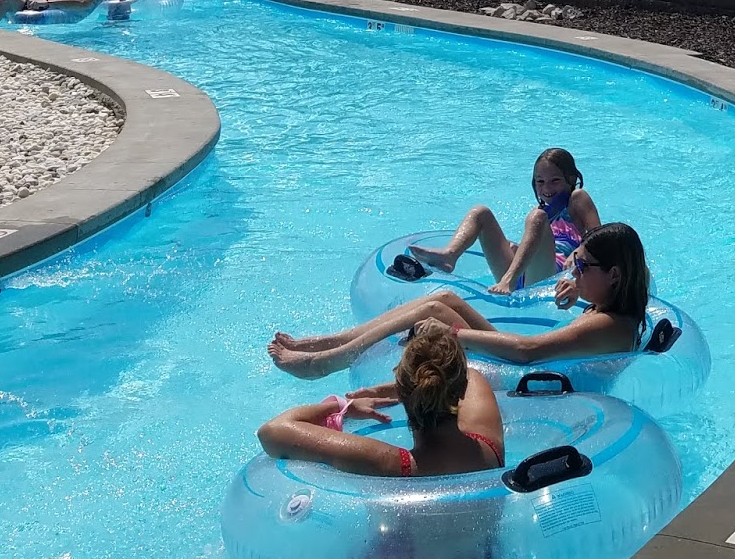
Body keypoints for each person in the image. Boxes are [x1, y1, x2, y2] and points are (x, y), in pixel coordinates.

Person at [267, 222, 650, 381]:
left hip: (536, 384)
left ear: (614, 276)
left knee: (437, 310)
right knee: (445, 295)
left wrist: (452, 332)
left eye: (581, 265)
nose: (573, 270)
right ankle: (331, 343)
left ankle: (327, 362)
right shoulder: (611, 306)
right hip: (534, 370)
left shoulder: (609, 324)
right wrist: (576, 286)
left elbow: (527, 351)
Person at [256, 321, 504, 478]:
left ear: (404, 391)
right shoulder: (489, 443)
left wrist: (342, 406)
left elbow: (271, 432)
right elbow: (470, 376)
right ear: (459, 391)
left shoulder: (391, 463)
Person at [410, 149, 599, 298]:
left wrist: (578, 252)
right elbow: (539, 247)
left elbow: (600, 239)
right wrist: (517, 249)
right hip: (523, 275)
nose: (546, 188)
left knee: (536, 216)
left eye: (555, 181)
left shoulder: (577, 198)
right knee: (480, 212)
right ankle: (449, 256)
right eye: (540, 181)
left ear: (571, 179)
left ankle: (508, 279)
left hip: (550, 277)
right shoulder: (545, 212)